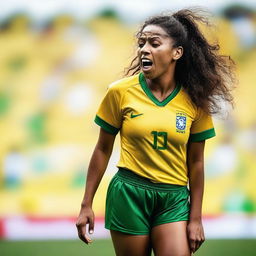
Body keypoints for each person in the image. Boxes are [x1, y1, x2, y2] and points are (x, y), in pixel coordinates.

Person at [76, 8, 235, 256]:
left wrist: (196, 219)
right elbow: (102, 149)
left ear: (177, 52)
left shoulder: (195, 100)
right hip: (129, 194)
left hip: (173, 198)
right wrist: (86, 204)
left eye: (154, 43)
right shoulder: (119, 92)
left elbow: (196, 162)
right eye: (141, 43)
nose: (143, 49)